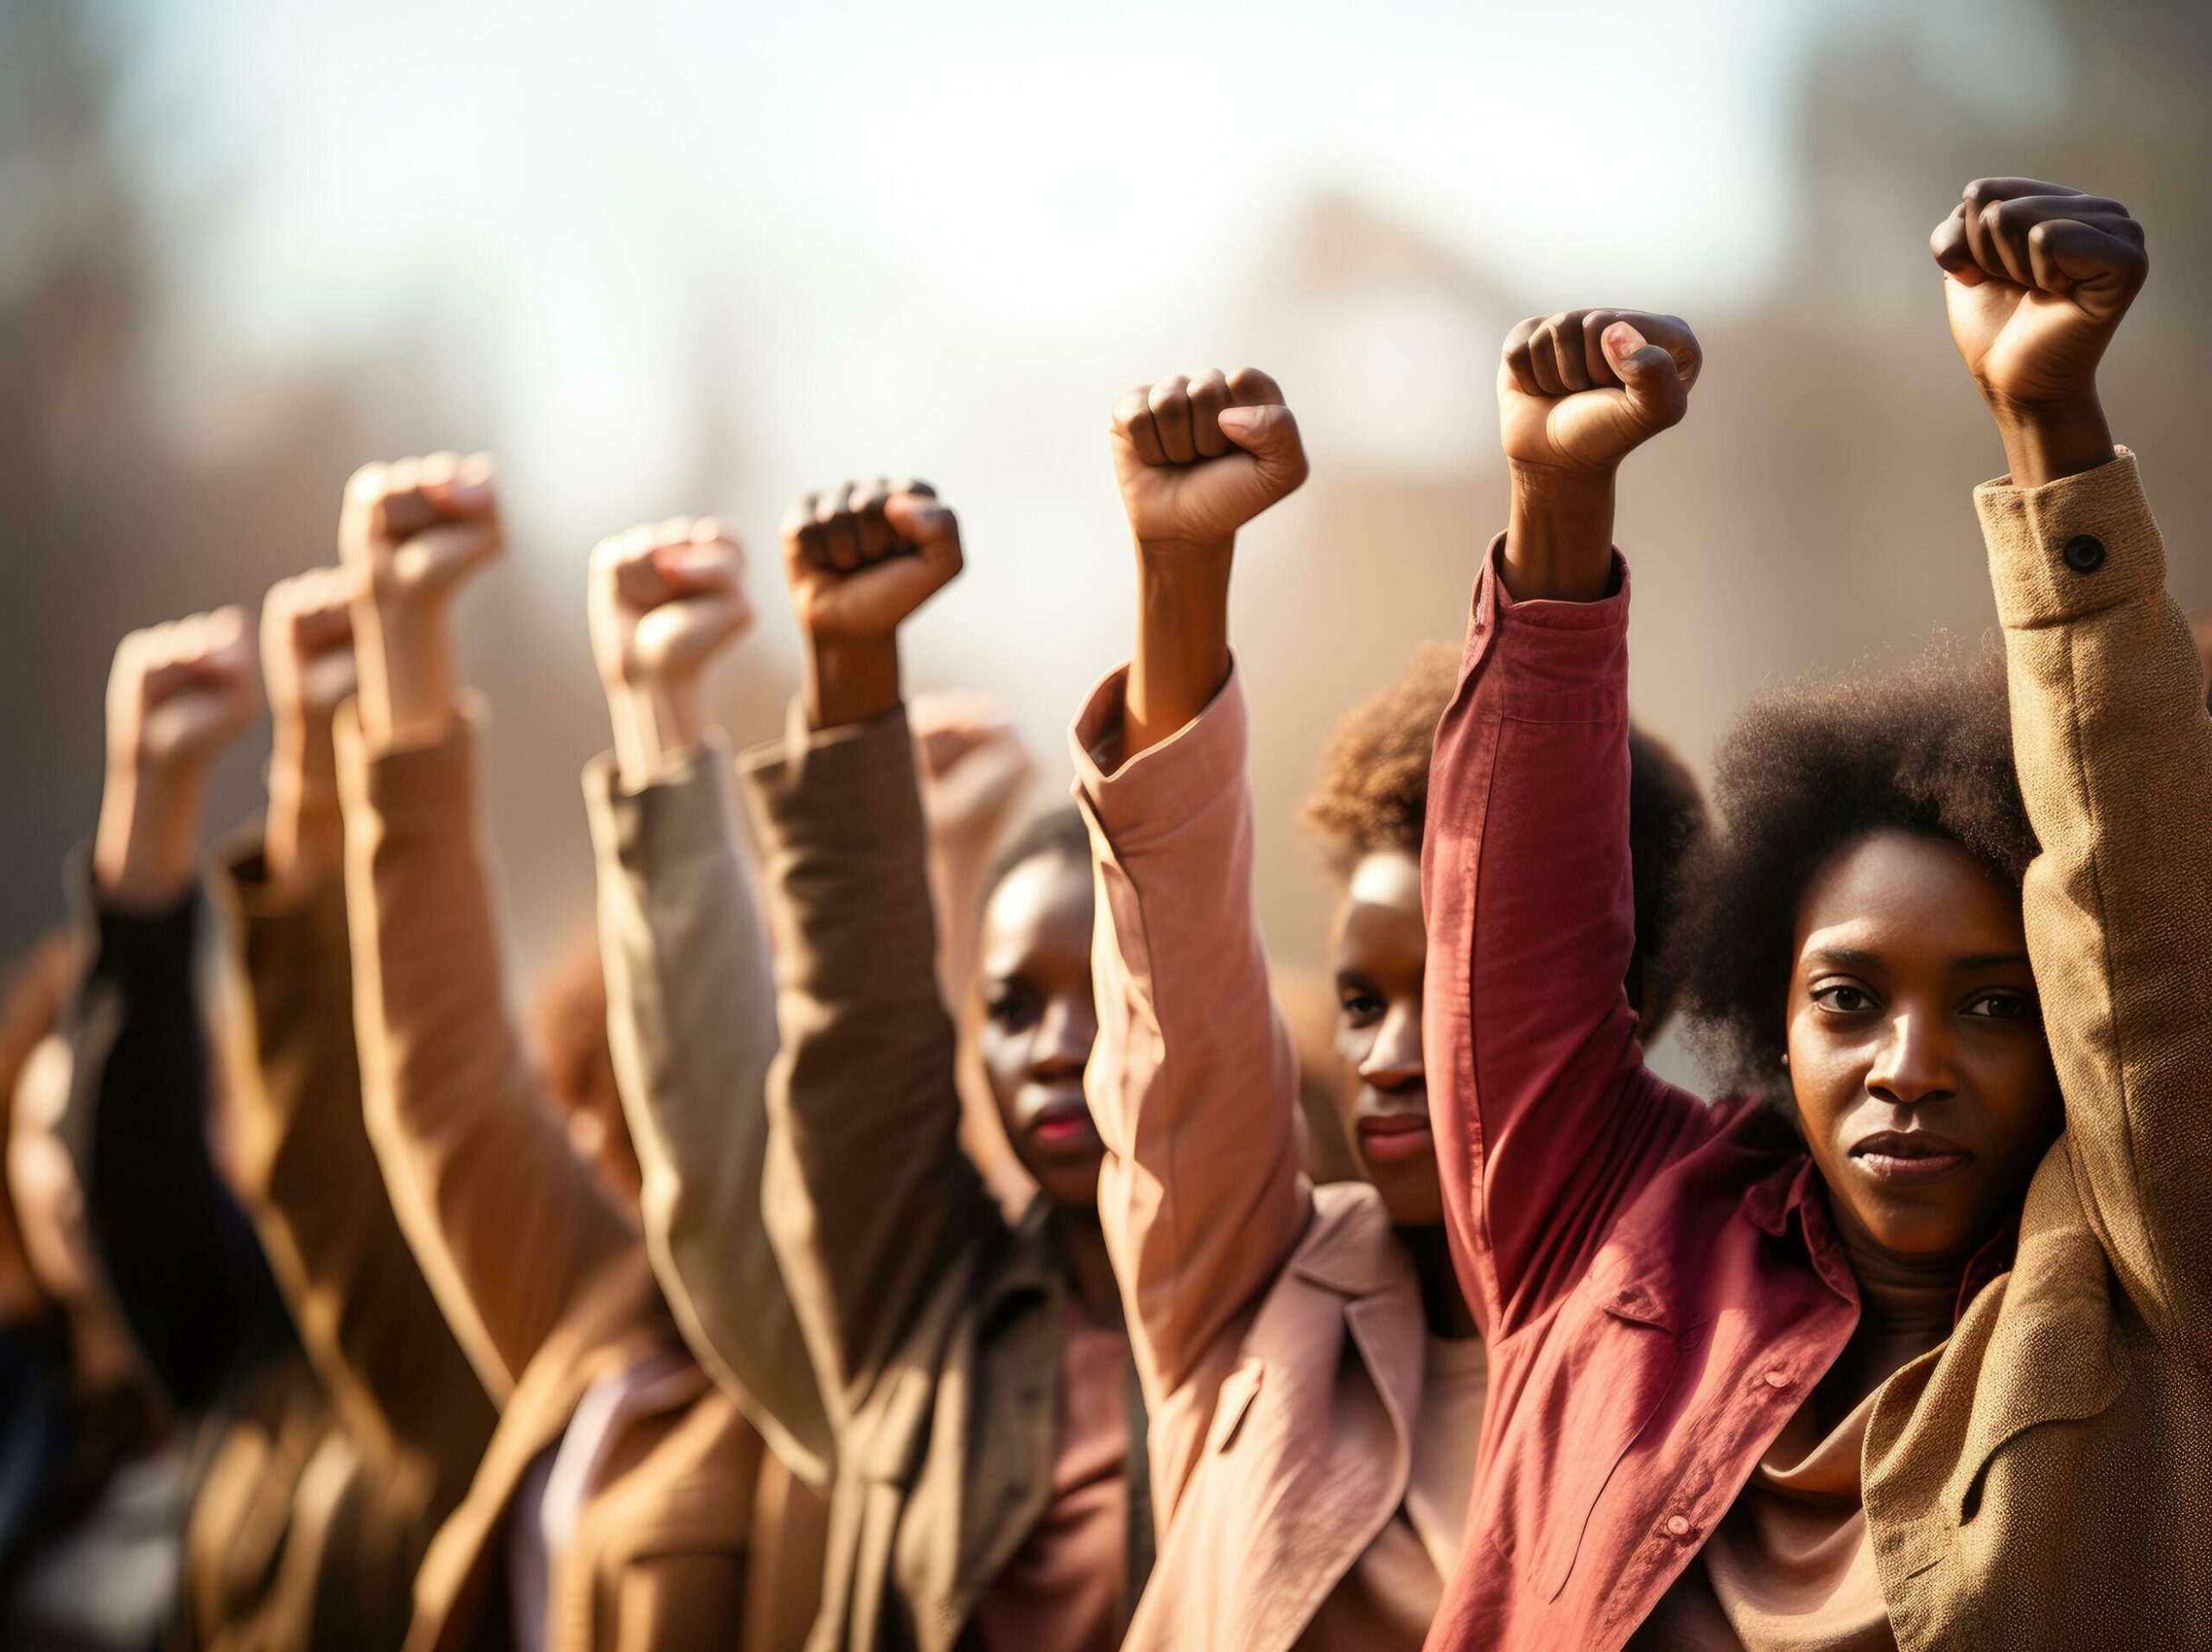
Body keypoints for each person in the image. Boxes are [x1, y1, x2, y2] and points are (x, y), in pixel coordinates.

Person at [1421, 181, 2210, 1651]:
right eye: (1848, 997)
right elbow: (1508, 960)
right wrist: (1553, 505)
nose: (1909, 1061)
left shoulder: (2152, 1291)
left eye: (1993, 1003)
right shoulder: (1609, 1223)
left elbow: (2149, 938)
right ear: (1771, 1021)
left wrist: (2051, 430)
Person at [1074, 373, 1703, 1649]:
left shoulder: (1722, 1330)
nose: (1391, 1055)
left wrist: (1562, 502)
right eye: (1361, 998)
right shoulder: (1253, 1292)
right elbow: (1176, 988)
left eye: (1452, 995)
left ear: (1629, 1006)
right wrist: (1179, 569)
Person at [329, 459, 823, 1650]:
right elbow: (444, 1074)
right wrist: (401, 638)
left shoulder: (844, 1352)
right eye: (590, 1108)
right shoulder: (595, 1306)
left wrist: (667, 719)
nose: (609, 1144)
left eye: (645, 1099)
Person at [667, 478, 1148, 1649]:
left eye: (1092, 996)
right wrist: (847, 657)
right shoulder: (921, 1296)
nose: (1055, 1049)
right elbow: (862, 1020)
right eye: (1007, 1008)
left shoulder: (1293, 1318)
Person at [62, 591, 495, 1652]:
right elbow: (140, 1183)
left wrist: (330, 744)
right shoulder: (258, 1356)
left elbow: (333, 1124)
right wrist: (151, 800)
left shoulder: (471, 1377)